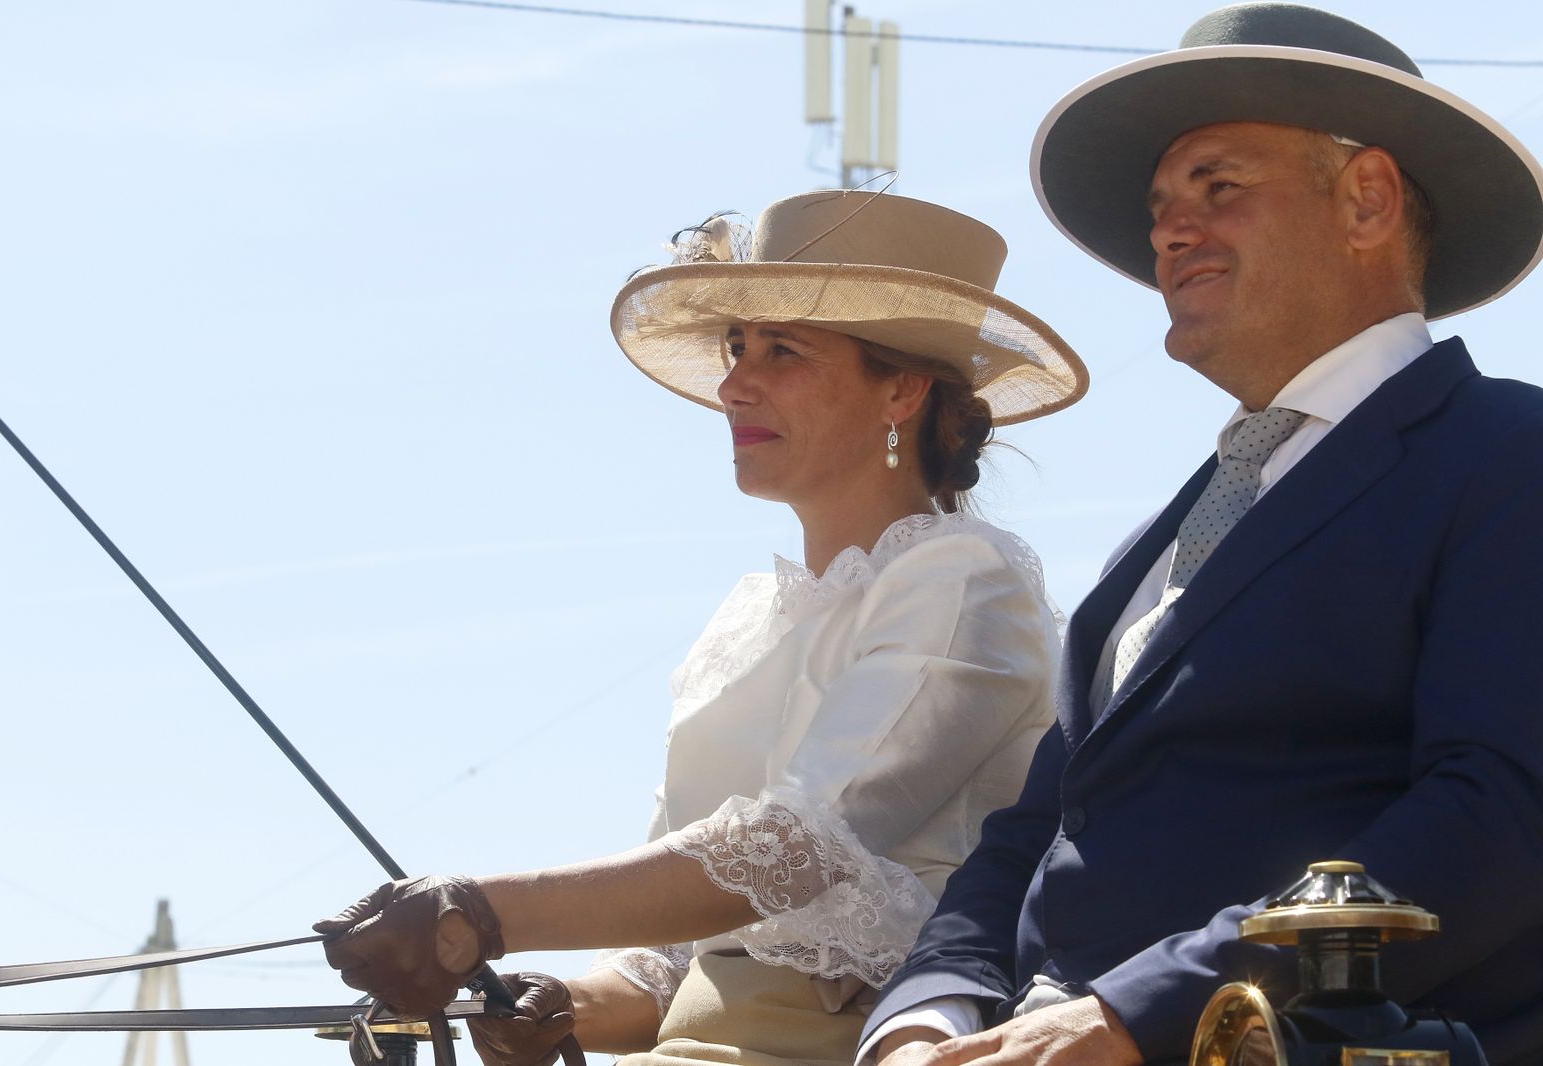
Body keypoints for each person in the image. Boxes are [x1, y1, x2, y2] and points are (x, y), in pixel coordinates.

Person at [862, 5, 1543, 1066]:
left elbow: (1494, 819)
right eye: (1159, 208)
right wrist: (926, 1014)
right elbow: (1035, 832)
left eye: (1218, 187)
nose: (1168, 233)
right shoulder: (1156, 540)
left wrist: (1143, 1014)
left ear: (1367, 200)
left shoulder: (1507, 453)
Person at [313, 188, 1089, 1066]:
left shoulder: (963, 579)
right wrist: (562, 1004)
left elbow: (796, 848)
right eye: (736, 347)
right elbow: (671, 962)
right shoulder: (750, 619)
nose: (733, 385)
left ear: (902, 389)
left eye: (782, 350)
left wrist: (480, 914)